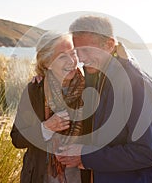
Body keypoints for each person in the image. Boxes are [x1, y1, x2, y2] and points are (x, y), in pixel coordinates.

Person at [57, 16, 152, 183]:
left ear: (109, 45)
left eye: (86, 50)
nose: (81, 58)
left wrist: (85, 156)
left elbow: (145, 153)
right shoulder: (95, 75)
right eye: (78, 51)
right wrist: (43, 75)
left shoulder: (138, 85)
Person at [10, 31, 91, 183]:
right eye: (62, 57)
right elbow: (17, 138)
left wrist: (83, 154)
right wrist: (46, 128)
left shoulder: (90, 88)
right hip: (40, 176)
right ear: (47, 64)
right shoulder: (35, 90)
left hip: (79, 177)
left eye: (73, 53)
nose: (72, 61)